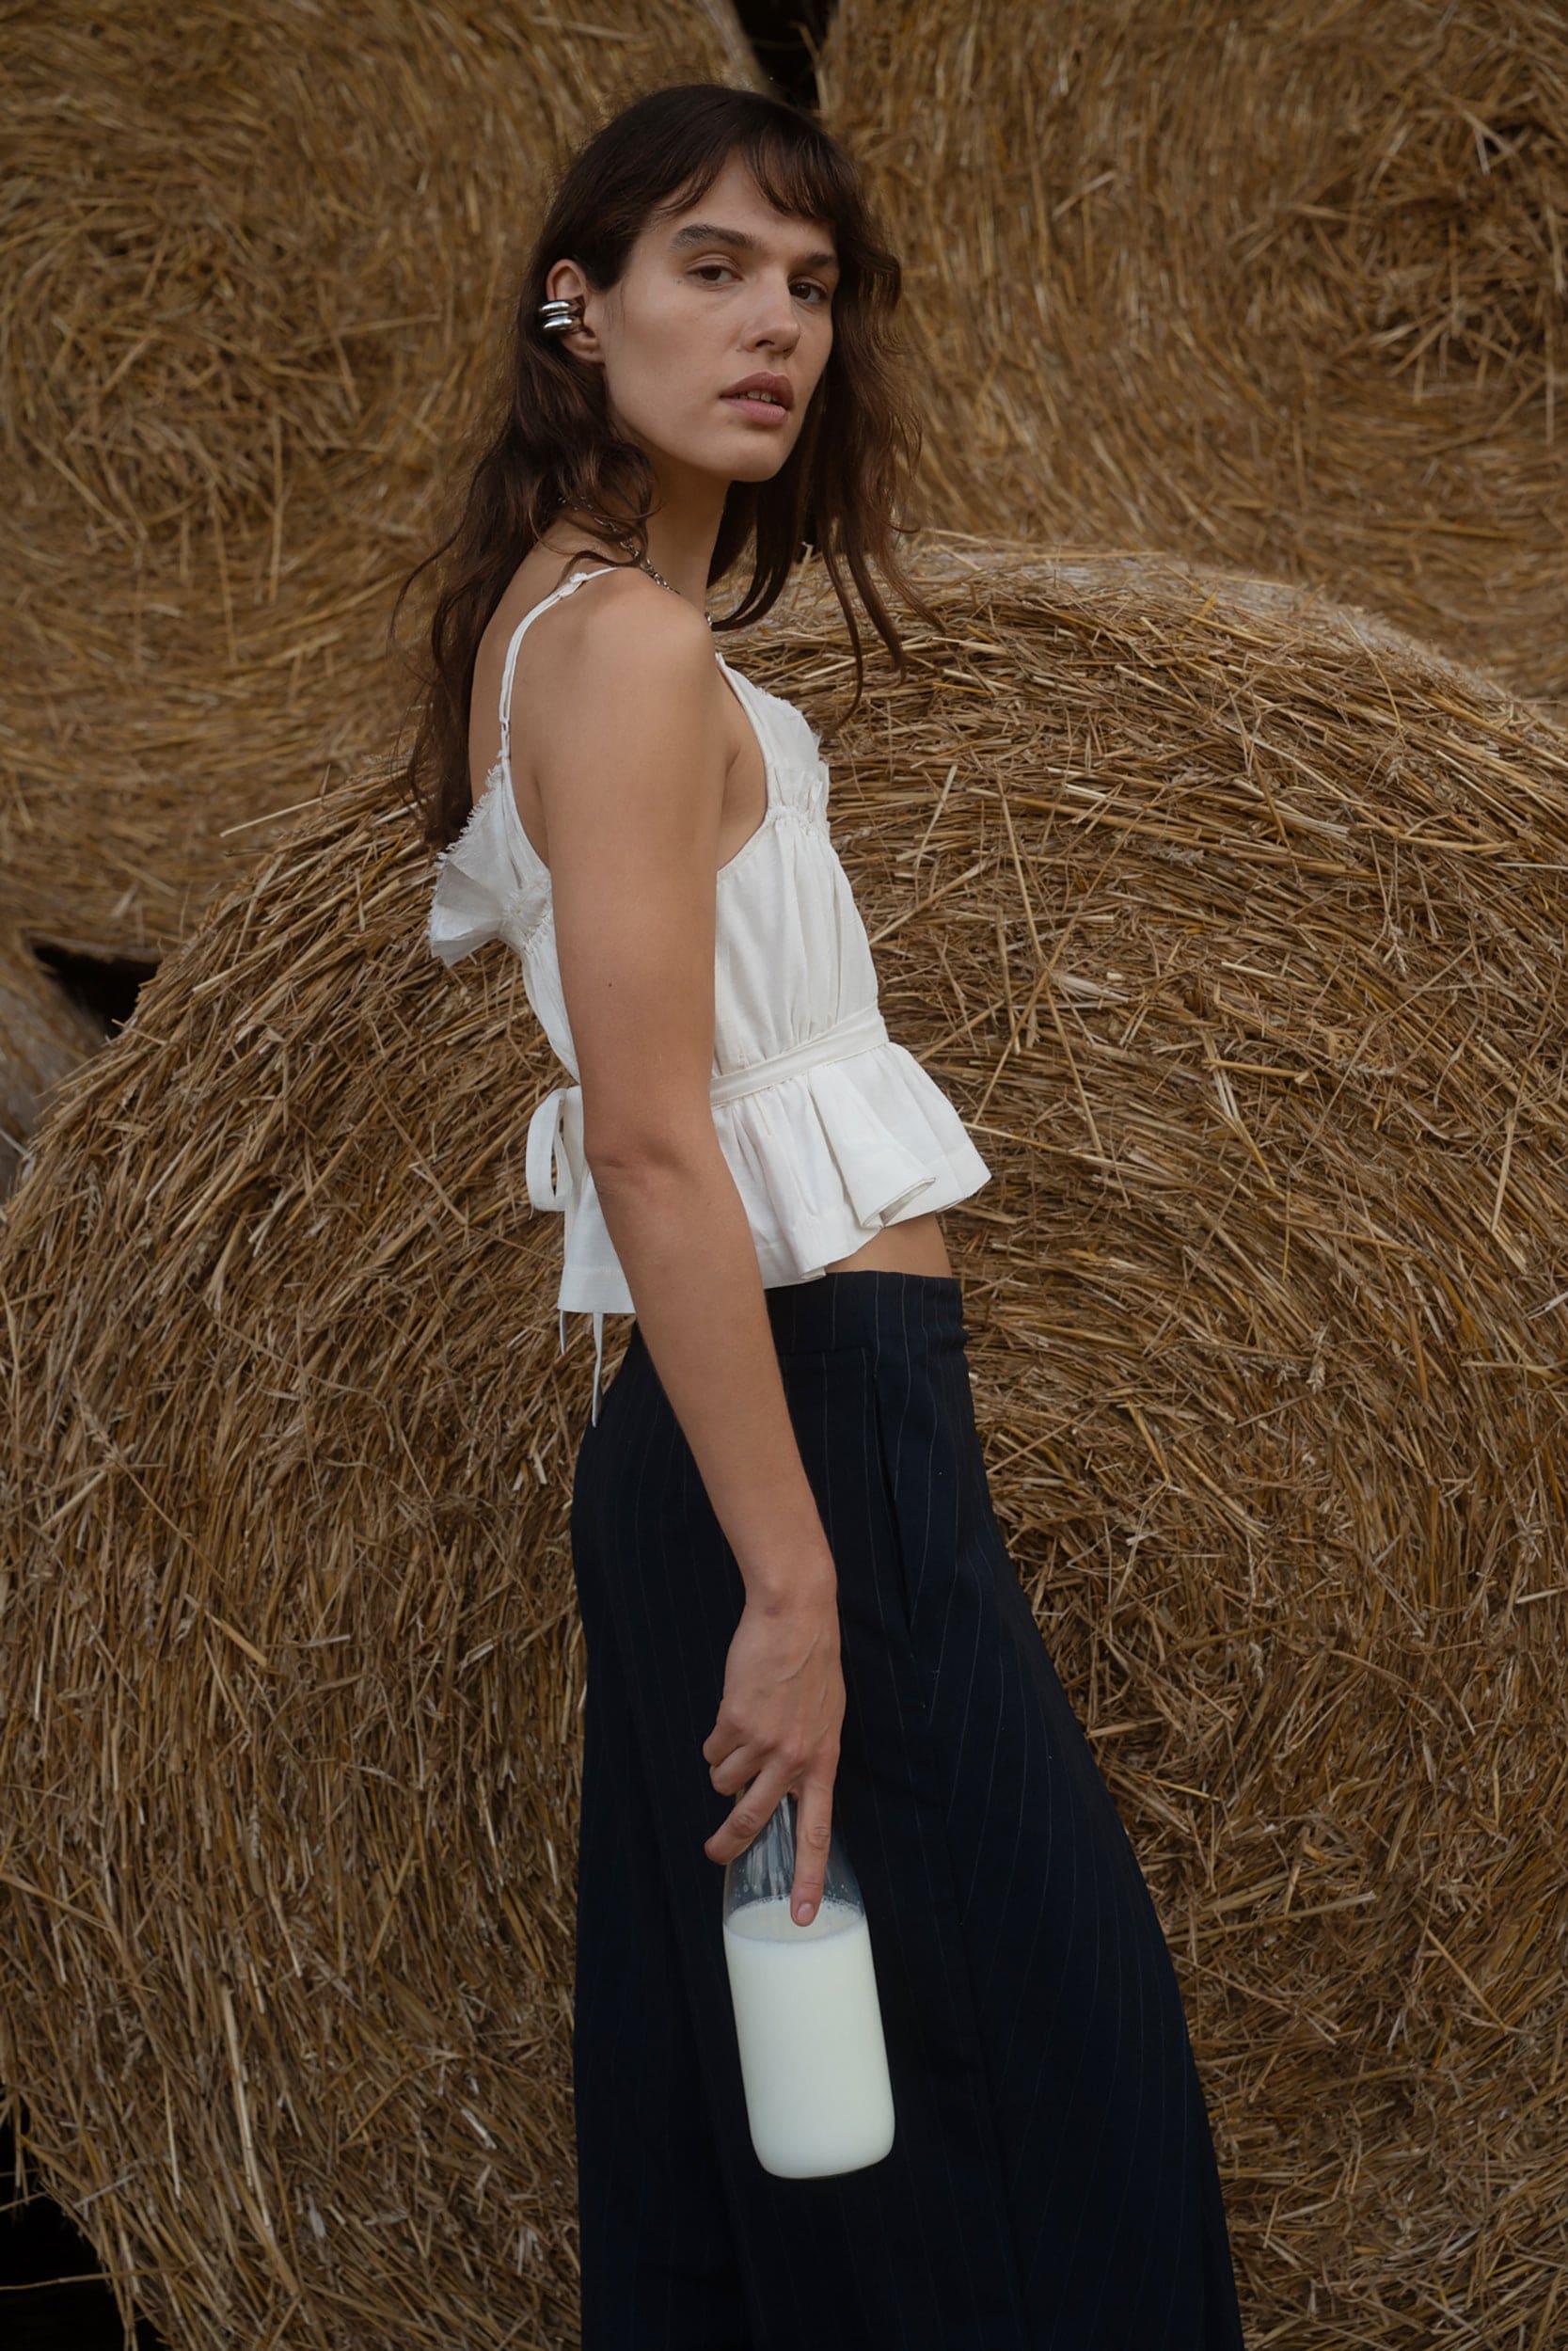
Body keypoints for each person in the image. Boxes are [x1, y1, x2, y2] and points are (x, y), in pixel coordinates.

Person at [406, 78, 1248, 2351]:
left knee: (796, 2119)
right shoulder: (630, 652)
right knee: (1023, 2103)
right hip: (808, 1438)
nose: (777, 323)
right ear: (571, 306)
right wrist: (797, 1577)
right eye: (713, 267)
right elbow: (660, 1142)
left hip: (762, 1445)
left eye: (811, 284)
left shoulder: (570, 629)